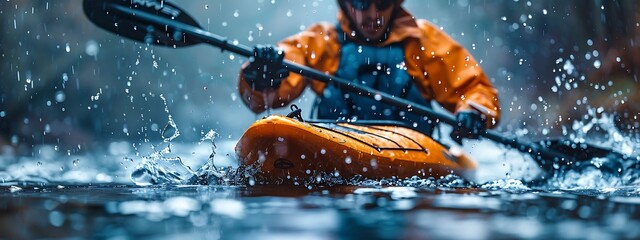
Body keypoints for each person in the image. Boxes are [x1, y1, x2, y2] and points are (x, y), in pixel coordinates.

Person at [237, 0, 501, 143]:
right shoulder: (324, 40)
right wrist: (261, 75)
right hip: (337, 141)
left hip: (413, 148)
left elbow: (473, 89)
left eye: (382, 3)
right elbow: (269, 93)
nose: (372, 14)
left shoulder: (423, 41)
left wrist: (473, 112)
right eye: (362, 3)